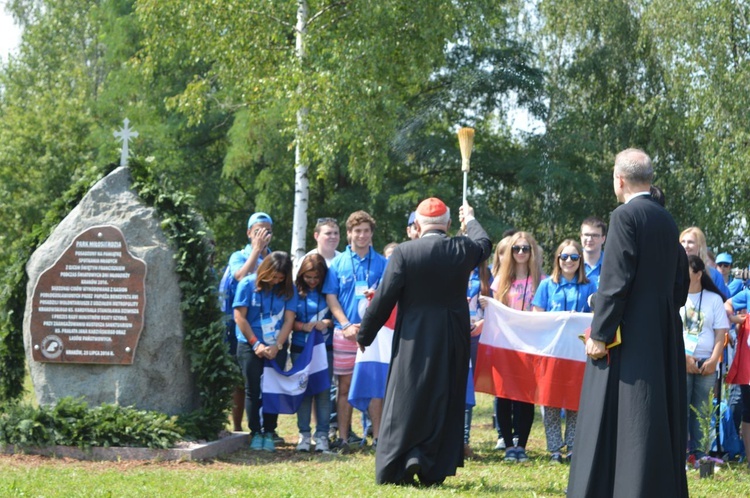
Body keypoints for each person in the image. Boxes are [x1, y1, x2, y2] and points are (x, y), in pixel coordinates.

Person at [568, 148, 690, 497]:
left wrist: (600, 334)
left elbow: (616, 280)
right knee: (652, 414)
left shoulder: (624, 216)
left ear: (618, 180)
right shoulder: (667, 221)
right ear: (649, 180)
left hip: (629, 335)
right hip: (663, 332)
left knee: (628, 414)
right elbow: (680, 283)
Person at [357, 198, 491, 486]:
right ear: (449, 225)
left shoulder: (405, 252)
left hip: (413, 338)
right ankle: (434, 465)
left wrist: (365, 333)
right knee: (444, 397)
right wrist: (472, 218)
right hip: (451, 337)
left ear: (417, 226)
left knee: (407, 397)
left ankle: (402, 461)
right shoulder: (462, 248)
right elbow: (484, 242)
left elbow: (384, 297)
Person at [323, 211, 388, 453]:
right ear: (349, 233)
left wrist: (370, 326)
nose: (361, 235)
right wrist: (346, 324)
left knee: (375, 386)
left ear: (371, 233)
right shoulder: (337, 264)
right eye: (357, 231)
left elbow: (388, 297)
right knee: (344, 386)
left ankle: (379, 438)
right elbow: (331, 297)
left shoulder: (383, 263)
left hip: (374, 336)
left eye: (366, 231)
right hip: (345, 333)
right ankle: (343, 438)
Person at [532, 239, 597, 464]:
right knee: (549, 401)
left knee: (575, 401)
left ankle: (572, 447)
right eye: (564, 257)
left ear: (580, 260)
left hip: (578, 353)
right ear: (557, 259)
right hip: (552, 352)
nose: (569, 261)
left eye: (574, 257)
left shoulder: (590, 286)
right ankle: (554, 450)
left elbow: (598, 315)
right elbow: (537, 315)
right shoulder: (546, 285)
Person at [233, 251, 297, 452]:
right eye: (273, 276)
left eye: (280, 278)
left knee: (272, 390)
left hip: (275, 346)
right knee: (253, 389)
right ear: (265, 270)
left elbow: (289, 319)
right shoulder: (247, 285)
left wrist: (277, 345)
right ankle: (255, 432)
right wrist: (256, 344)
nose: (276, 280)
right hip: (250, 345)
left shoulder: (288, 290)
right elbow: (239, 317)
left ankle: (269, 431)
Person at [220, 211, 274, 432]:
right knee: (241, 378)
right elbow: (241, 276)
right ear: (249, 233)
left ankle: (266, 426)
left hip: (266, 325)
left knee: (267, 379)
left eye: (267, 231)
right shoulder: (239, 255)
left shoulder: (273, 257)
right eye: (258, 231)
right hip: (238, 325)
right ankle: (238, 425)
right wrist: (255, 250)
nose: (263, 235)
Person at [492, 231, 544, 463]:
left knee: (525, 397)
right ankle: (508, 446)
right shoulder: (500, 280)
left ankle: (521, 445)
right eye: (516, 249)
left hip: (530, 345)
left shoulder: (540, 281)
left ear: (532, 251)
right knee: (503, 395)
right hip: (505, 344)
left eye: (525, 248)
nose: (521, 253)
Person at [681, 255, 729, 461]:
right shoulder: (674, 298)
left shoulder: (714, 299)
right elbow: (669, 332)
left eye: (687, 272)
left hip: (707, 363)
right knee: (680, 409)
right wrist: (683, 358)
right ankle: (679, 453)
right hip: (681, 362)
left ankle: (701, 454)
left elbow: (721, 333)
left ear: (699, 274)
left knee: (702, 411)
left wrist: (713, 360)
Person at [292, 254, 334, 453]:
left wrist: (326, 323)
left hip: (325, 350)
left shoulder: (329, 291)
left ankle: (323, 436)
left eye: (316, 277)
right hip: (300, 349)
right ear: (301, 275)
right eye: (308, 277)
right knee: (303, 393)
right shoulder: (294, 293)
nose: (312, 281)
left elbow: (338, 315)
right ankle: (304, 435)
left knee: (323, 394)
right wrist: (302, 326)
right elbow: (286, 321)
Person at [679, 226, 730, 300]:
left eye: (690, 242)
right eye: (683, 242)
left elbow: (725, 304)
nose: (686, 246)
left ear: (700, 246)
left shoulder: (714, 275)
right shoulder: (672, 272)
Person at [580, 216, 606, 288]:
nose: (589, 239)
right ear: (581, 237)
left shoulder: (611, 264)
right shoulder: (570, 263)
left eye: (595, 235)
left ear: (603, 239)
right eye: (586, 235)